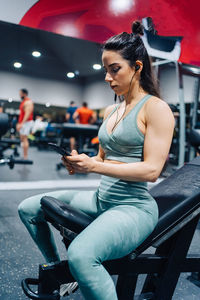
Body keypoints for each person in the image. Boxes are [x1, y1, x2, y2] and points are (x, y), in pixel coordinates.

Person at [18, 21, 175, 300]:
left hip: (133, 208)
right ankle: (58, 272)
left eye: (115, 69)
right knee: (28, 208)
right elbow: (102, 158)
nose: (107, 77)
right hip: (102, 198)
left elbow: (152, 171)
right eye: (106, 69)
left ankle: (75, 269)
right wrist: (81, 161)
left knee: (82, 255)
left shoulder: (156, 108)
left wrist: (94, 166)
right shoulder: (112, 109)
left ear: (137, 67)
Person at [16, 89, 34, 159]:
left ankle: (25, 156)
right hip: (23, 122)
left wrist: (21, 124)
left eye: (20, 93)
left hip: (27, 122)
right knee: (22, 139)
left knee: (25, 139)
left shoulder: (28, 102)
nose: (19, 95)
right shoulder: (23, 102)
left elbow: (27, 113)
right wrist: (19, 123)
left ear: (24, 94)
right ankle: (24, 155)